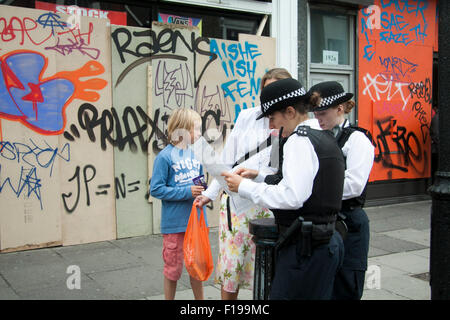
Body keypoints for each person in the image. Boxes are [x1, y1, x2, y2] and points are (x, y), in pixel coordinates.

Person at [222, 78, 345, 300]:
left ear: (290, 112)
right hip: (323, 242)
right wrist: (258, 176)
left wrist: (245, 187)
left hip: (305, 247)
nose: (270, 125)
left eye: (272, 118)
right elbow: (306, 182)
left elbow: (293, 196)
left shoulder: (300, 140)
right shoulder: (322, 134)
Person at [195, 68, 292, 300]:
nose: (272, 95)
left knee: (268, 265)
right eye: (267, 90)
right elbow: (228, 159)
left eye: (278, 90)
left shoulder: (288, 122)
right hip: (236, 202)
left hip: (268, 201)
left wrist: (258, 176)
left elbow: (280, 168)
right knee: (232, 265)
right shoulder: (247, 116)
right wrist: (210, 192)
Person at [310, 81, 374, 300]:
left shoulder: (357, 140)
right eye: (315, 113)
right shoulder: (314, 137)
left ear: (339, 109)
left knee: (345, 287)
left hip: (349, 223)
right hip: (322, 222)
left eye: (323, 113)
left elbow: (354, 185)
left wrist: (312, 190)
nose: (318, 118)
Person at [149, 108, 206, 300]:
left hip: (195, 224)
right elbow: (156, 189)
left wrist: (202, 191)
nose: (200, 133)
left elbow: (199, 182)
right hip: (174, 225)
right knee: (173, 270)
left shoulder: (195, 156)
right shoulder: (164, 157)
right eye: (196, 129)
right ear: (183, 130)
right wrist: (186, 191)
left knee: (196, 268)